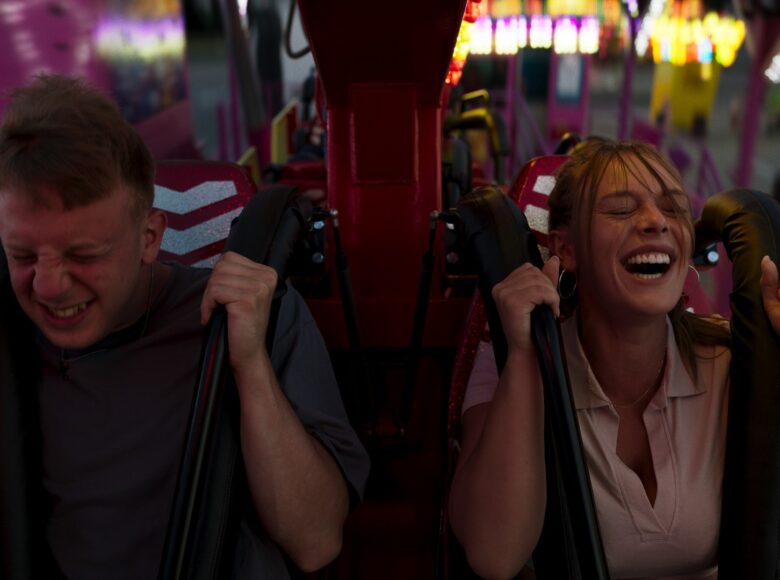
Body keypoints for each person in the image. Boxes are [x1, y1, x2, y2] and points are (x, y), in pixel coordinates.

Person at [0, 74, 369, 579]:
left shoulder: (255, 314)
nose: (48, 286)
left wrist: (249, 366)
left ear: (150, 237)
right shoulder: (11, 336)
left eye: (83, 255)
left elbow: (316, 540)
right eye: (23, 255)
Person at [448, 138, 780, 579]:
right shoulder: (511, 359)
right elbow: (494, 554)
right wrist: (525, 354)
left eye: (674, 208)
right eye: (622, 210)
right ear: (566, 249)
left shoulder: (735, 359)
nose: (656, 221)